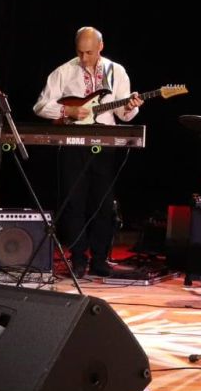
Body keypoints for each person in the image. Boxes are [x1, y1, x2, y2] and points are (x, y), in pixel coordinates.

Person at [32, 27, 142, 278]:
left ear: (101, 47)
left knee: (103, 203)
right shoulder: (63, 71)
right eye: (80, 52)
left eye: (89, 52)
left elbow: (123, 114)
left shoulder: (117, 71)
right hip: (73, 144)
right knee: (74, 202)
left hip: (105, 144)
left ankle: (100, 259)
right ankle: (78, 258)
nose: (84, 58)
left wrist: (131, 106)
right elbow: (40, 106)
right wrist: (67, 111)